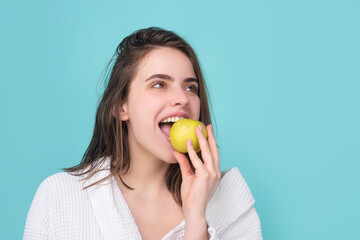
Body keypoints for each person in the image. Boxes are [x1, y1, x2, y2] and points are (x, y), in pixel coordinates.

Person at [24, 27, 263, 240]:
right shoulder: (58, 196)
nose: (183, 98)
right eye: (159, 84)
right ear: (120, 106)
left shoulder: (229, 199)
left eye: (191, 87)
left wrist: (196, 219)